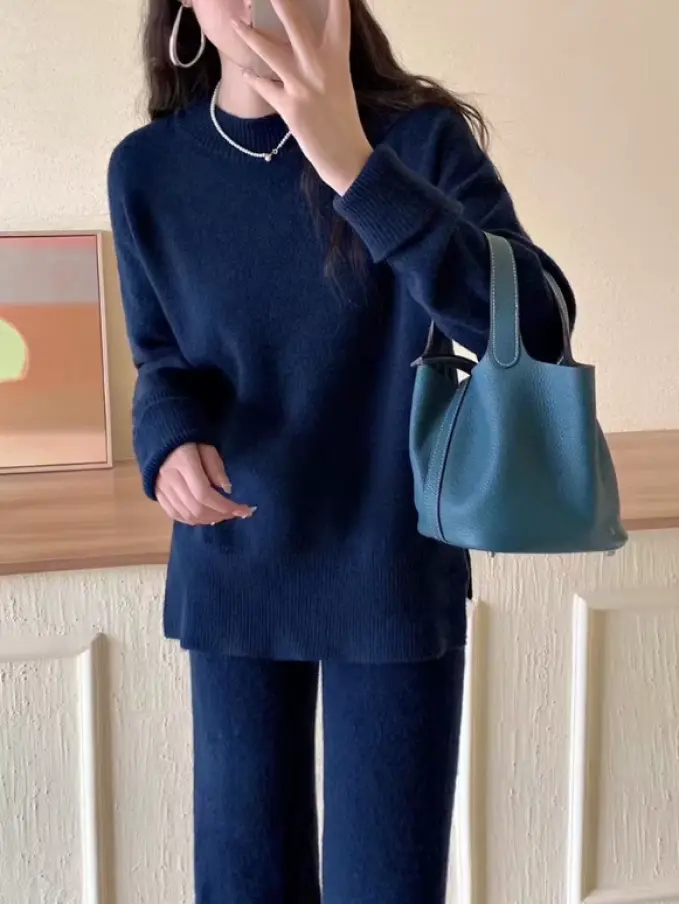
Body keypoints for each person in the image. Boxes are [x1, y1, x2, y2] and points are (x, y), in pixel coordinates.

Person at [108, 0, 575, 900]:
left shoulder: (418, 142)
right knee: (243, 882)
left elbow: (539, 330)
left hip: (389, 561)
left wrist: (352, 166)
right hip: (234, 555)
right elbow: (161, 357)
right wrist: (167, 439)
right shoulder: (147, 169)